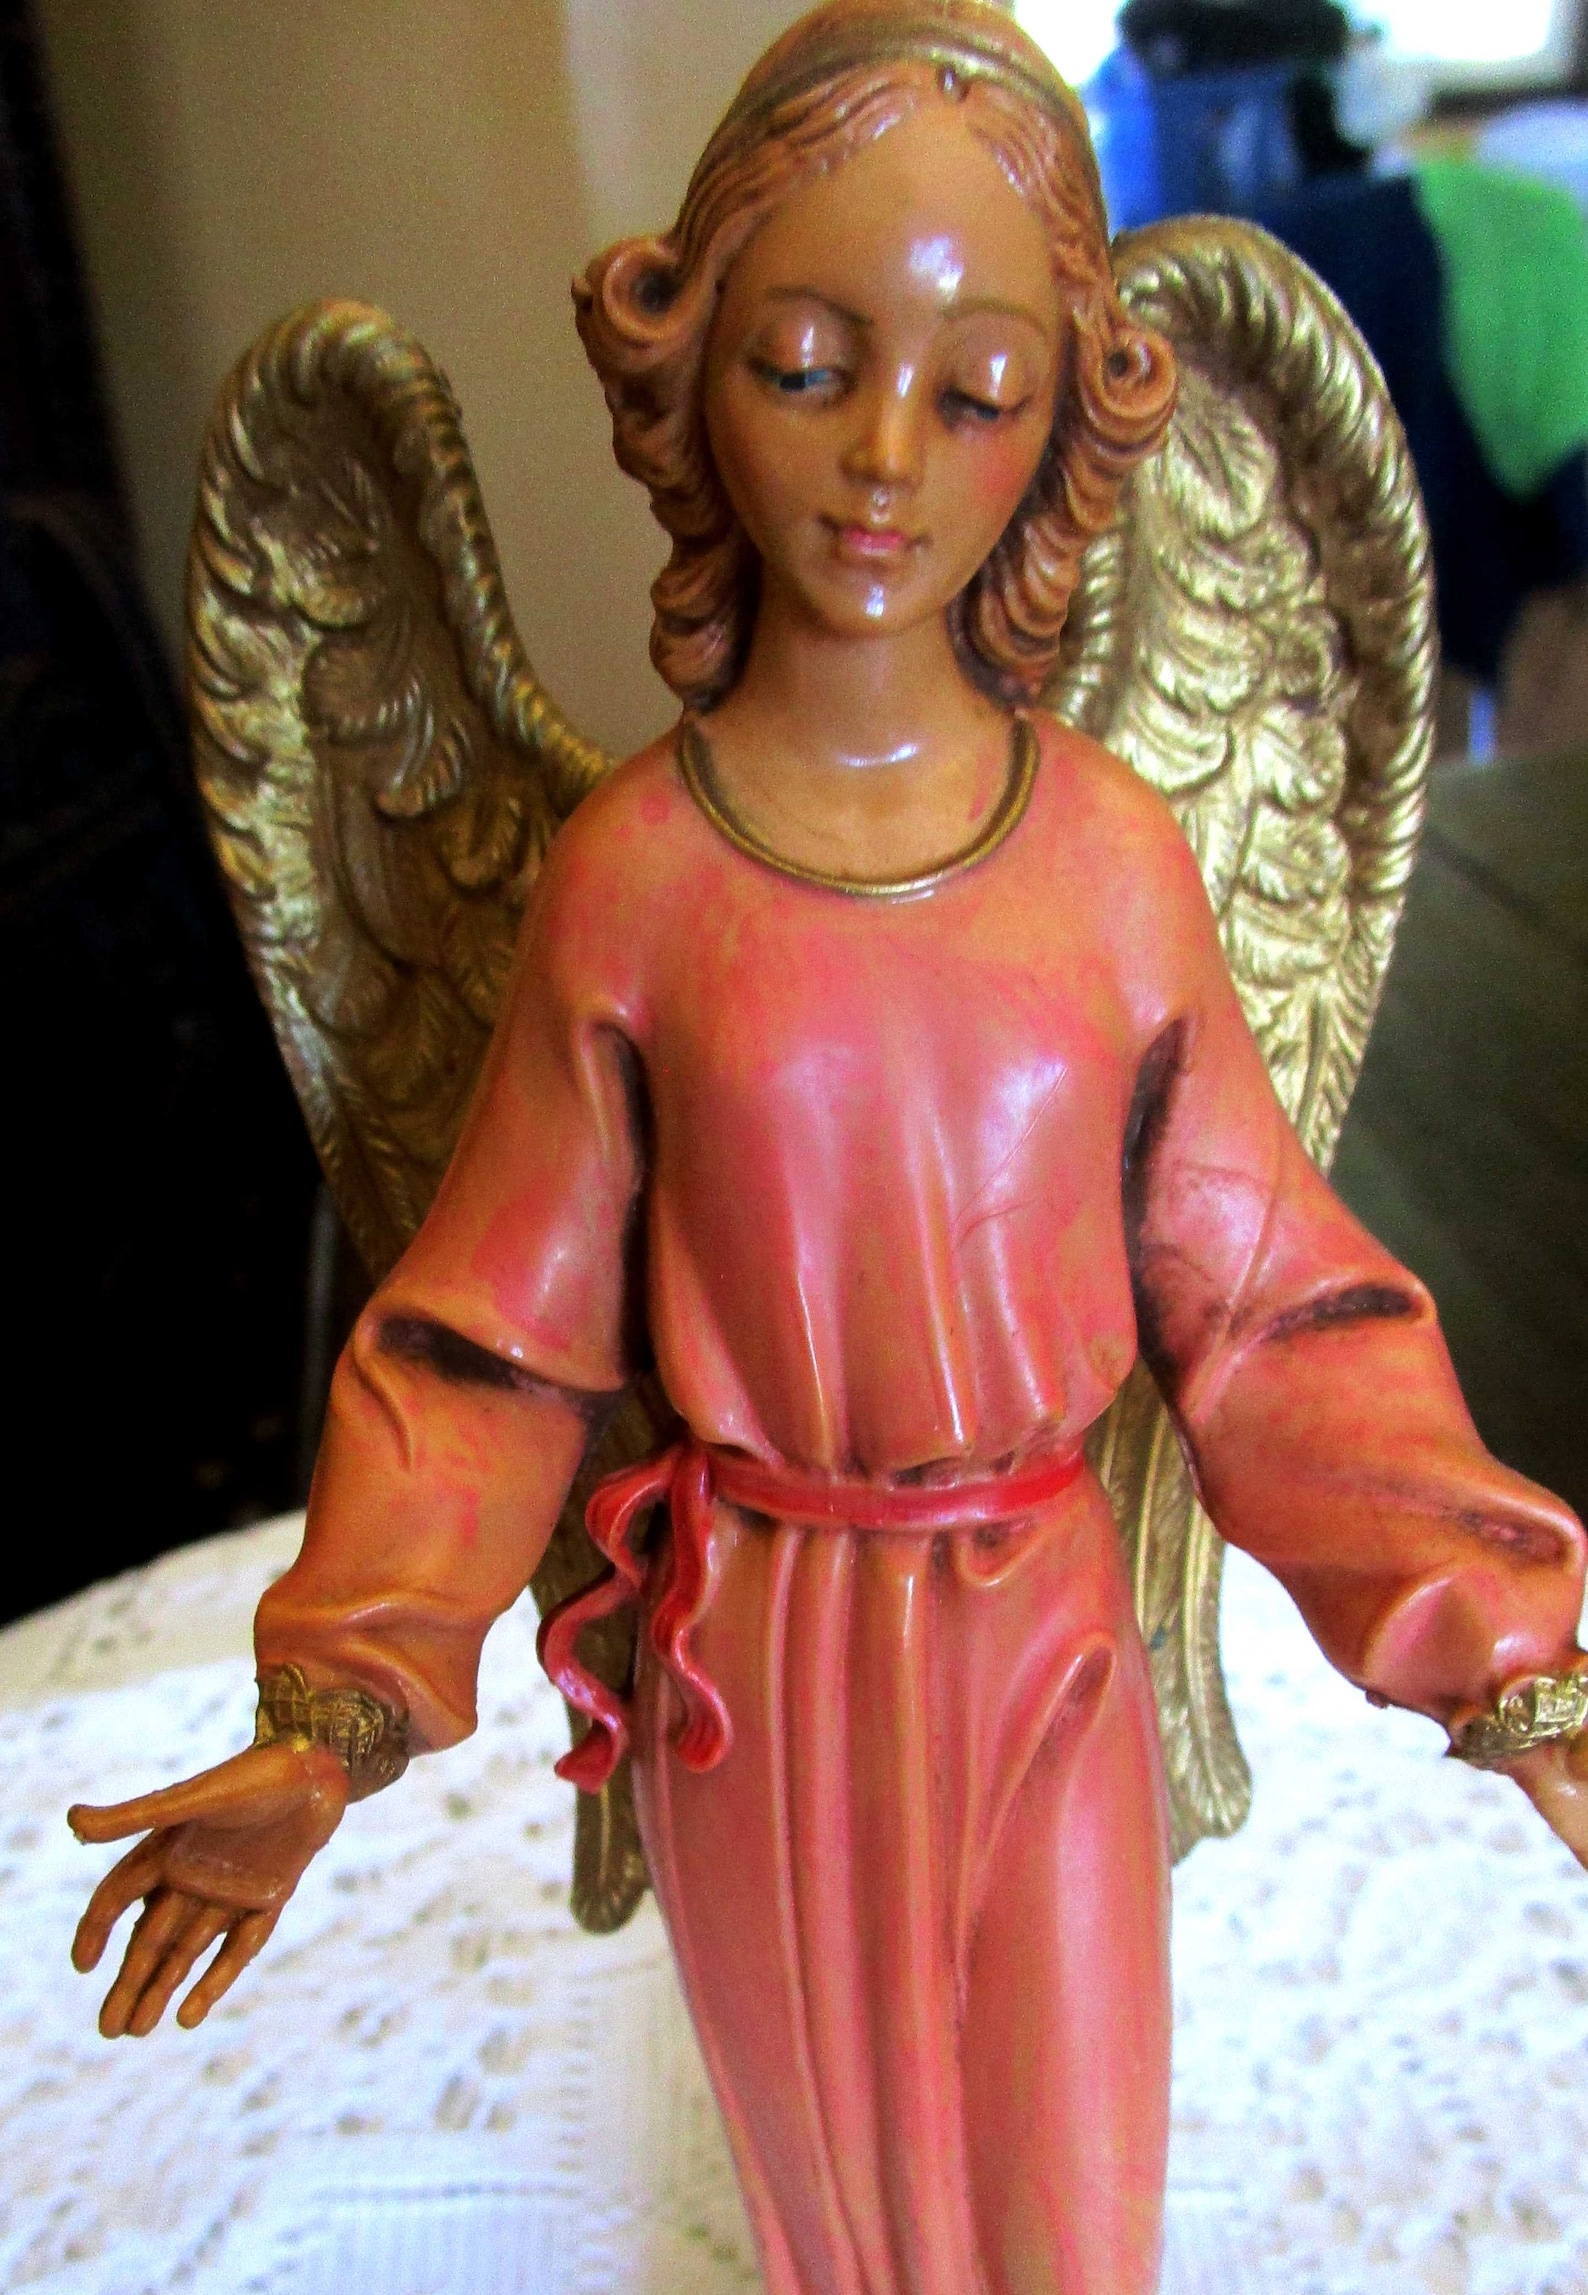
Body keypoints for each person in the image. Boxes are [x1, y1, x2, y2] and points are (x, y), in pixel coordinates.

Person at [68, 7, 1588, 2289]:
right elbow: (488, 1339)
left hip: (1044, 1646)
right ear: (689, 366)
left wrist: (1511, 1654)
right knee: (842, 2232)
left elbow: (1273, 1306)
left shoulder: (1107, 862)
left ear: (1063, 422)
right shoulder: (634, 880)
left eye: (975, 391)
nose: (884, 454)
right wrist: (332, 1718)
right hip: (752, 1676)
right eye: (804, 362)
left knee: (1067, 2204)